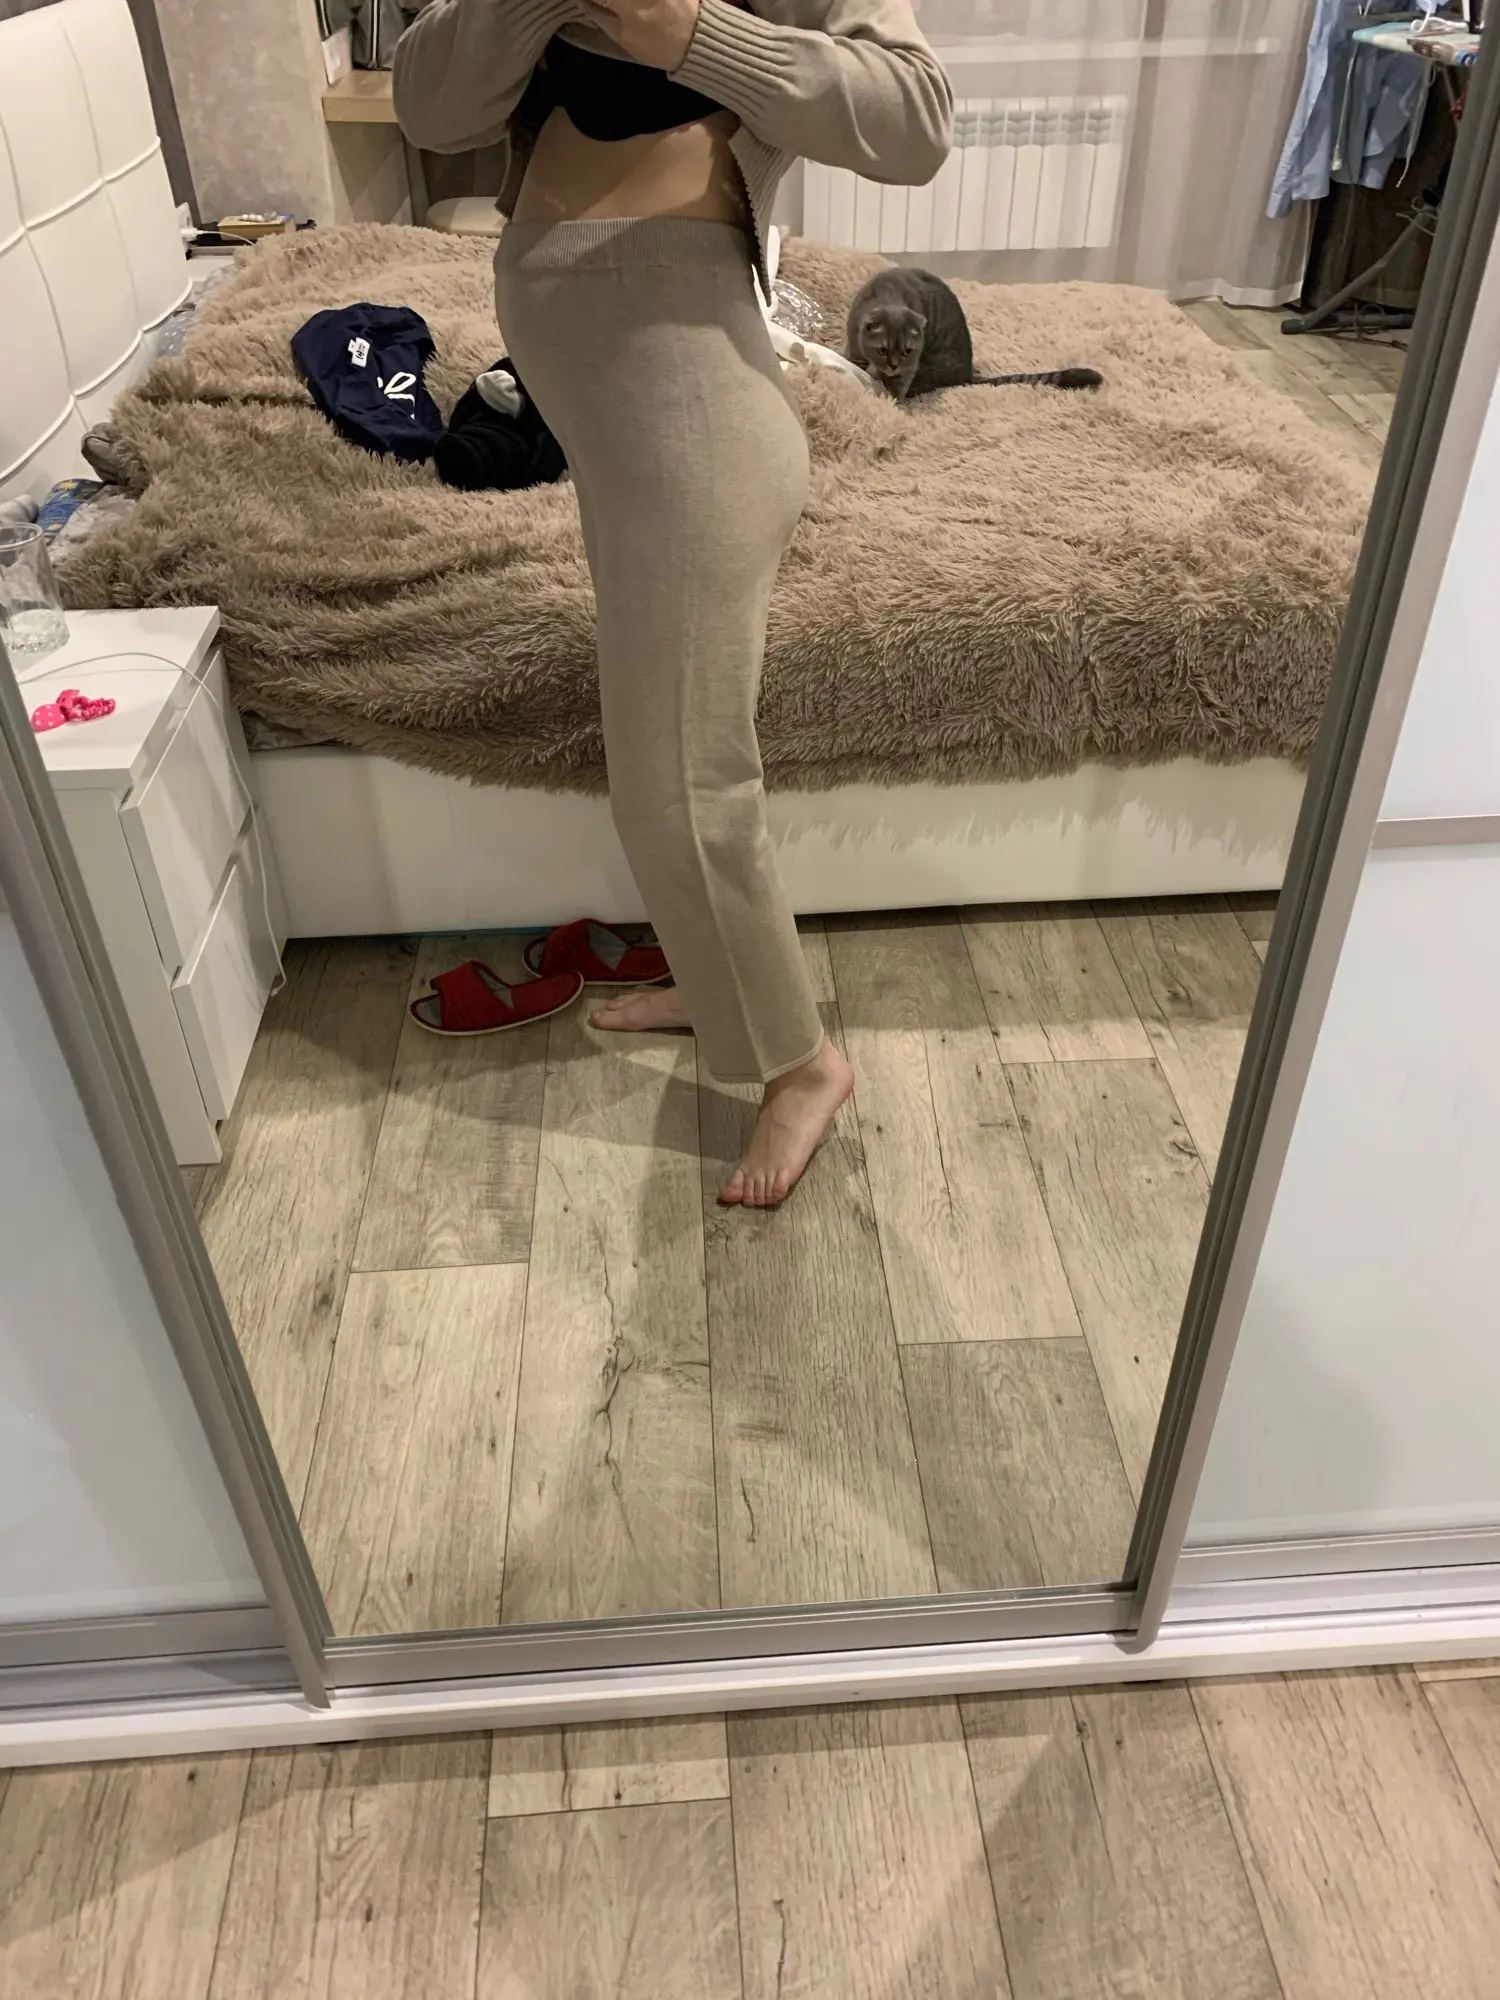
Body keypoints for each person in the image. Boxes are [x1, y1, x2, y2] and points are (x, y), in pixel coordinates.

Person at [394, 0, 952, 1205]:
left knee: (683, 785)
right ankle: (716, 983)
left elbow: (915, 120)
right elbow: (430, 107)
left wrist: (693, 33)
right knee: (659, 752)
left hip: (695, 421)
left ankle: (801, 1063)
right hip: (622, 427)